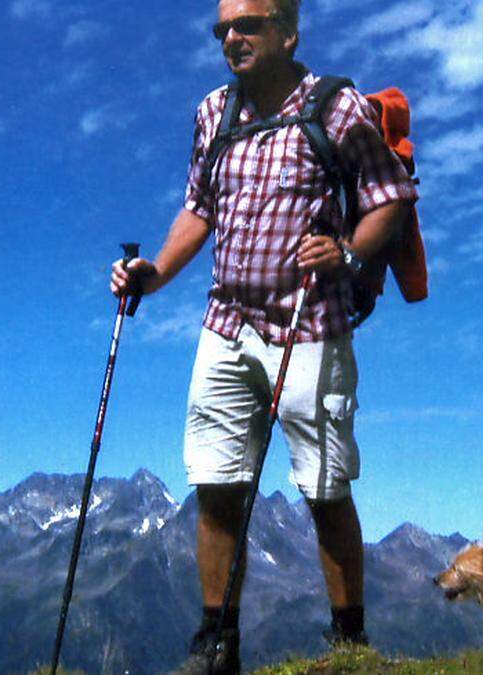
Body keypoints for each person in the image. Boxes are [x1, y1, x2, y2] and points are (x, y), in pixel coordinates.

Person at [110, 0, 417, 672]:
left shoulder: (334, 108)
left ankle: (349, 644)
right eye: (222, 28)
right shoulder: (212, 113)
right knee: (217, 485)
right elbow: (199, 208)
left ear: (287, 30)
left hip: (311, 324)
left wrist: (347, 252)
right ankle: (216, 644)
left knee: (325, 485)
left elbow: (390, 194)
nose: (230, 38)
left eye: (246, 25)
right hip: (226, 324)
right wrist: (152, 274)